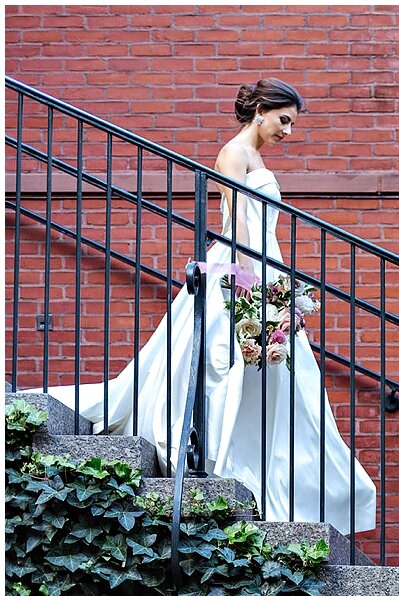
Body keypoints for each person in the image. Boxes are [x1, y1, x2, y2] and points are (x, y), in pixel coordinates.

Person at [48, 78, 377, 536]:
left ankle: (268, 481)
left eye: (292, 124)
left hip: (264, 265)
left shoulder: (255, 157)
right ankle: (217, 462)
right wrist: (250, 285)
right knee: (226, 364)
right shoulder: (234, 153)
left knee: (278, 375)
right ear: (261, 109)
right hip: (244, 267)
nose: (288, 131)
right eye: (284, 120)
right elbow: (240, 220)